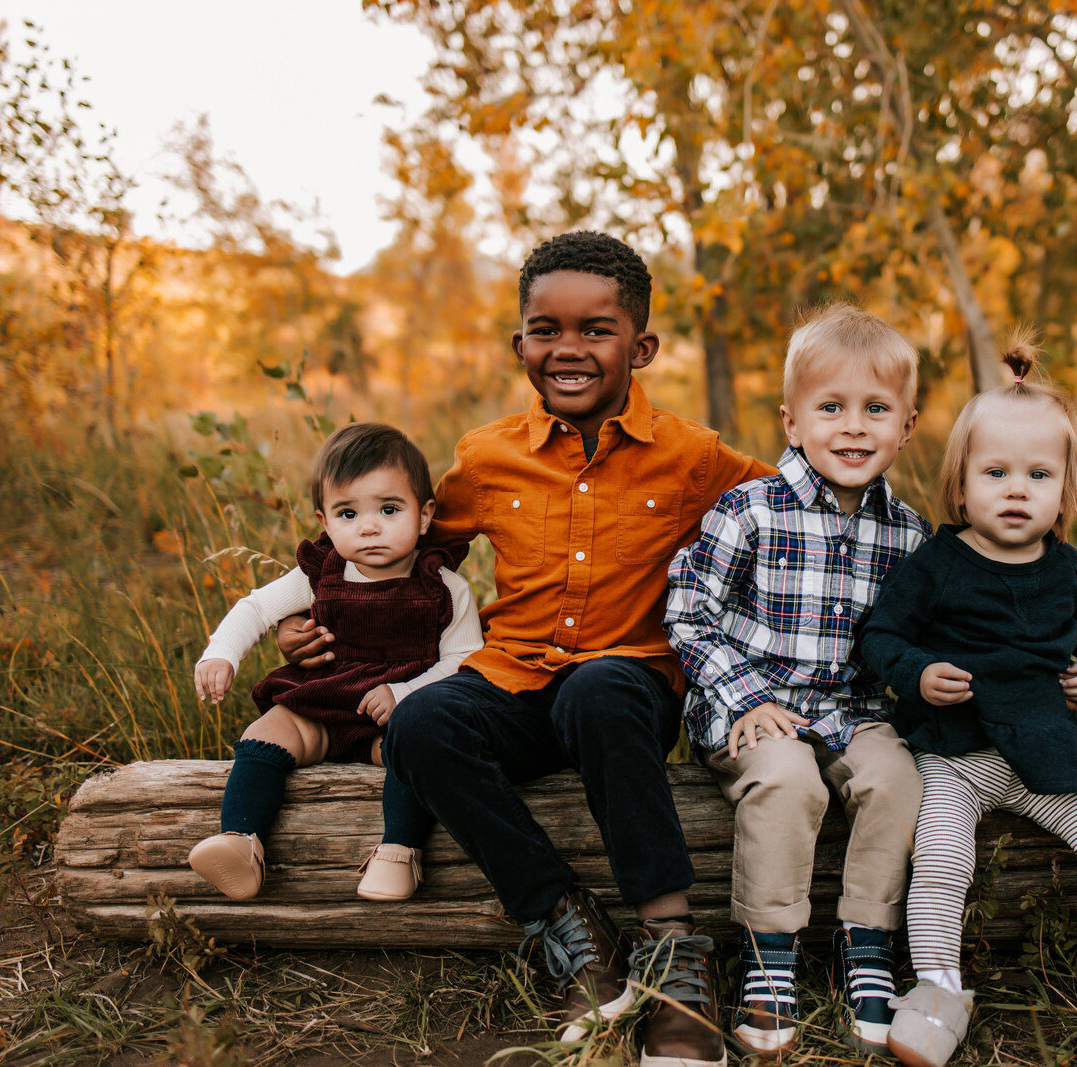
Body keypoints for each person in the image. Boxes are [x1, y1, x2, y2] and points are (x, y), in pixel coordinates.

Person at [279, 232, 771, 1067]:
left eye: (597, 329)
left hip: (627, 688)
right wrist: (315, 619)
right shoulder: (487, 455)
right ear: (521, 345)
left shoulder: (694, 457)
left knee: (601, 689)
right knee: (424, 722)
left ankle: (672, 947)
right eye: (546, 329)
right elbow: (398, 544)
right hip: (512, 678)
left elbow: (789, 512)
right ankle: (567, 920)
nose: (568, 348)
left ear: (641, 346)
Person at [857, 339, 1077, 1065]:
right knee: (938, 853)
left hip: (1044, 750)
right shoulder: (938, 561)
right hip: (956, 752)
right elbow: (881, 634)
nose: (1018, 489)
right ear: (961, 485)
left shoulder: (1069, 568)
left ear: (1067, 490)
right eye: (996, 472)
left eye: (1039, 474)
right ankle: (937, 983)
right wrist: (919, 670)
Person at [664, 305, 927, 1055]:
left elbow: (917, 636)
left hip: (852, 710)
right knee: (790, 781)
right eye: (831, 407)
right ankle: (770, 954)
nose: (853, 427)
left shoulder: (907, 532)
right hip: (754, 707)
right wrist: (744, 695)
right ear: (792, 421)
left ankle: (866, 942)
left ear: (905, 426)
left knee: (898, 779)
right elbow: (688, 613)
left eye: (876, 409)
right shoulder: (749, 510)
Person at [189, 422, 483, 904]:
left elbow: (464, 659)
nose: (369, 527)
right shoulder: (321, 573)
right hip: (321, 706)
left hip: (391, 714)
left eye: (389, 509)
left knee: (417, 752)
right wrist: (221, 652)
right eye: (348, 513)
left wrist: (405, 693)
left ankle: (398, 850)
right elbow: (257, 608)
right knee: (264, 733)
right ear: (324, 522)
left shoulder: (444, 588)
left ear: (425, 515)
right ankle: (241, 842)